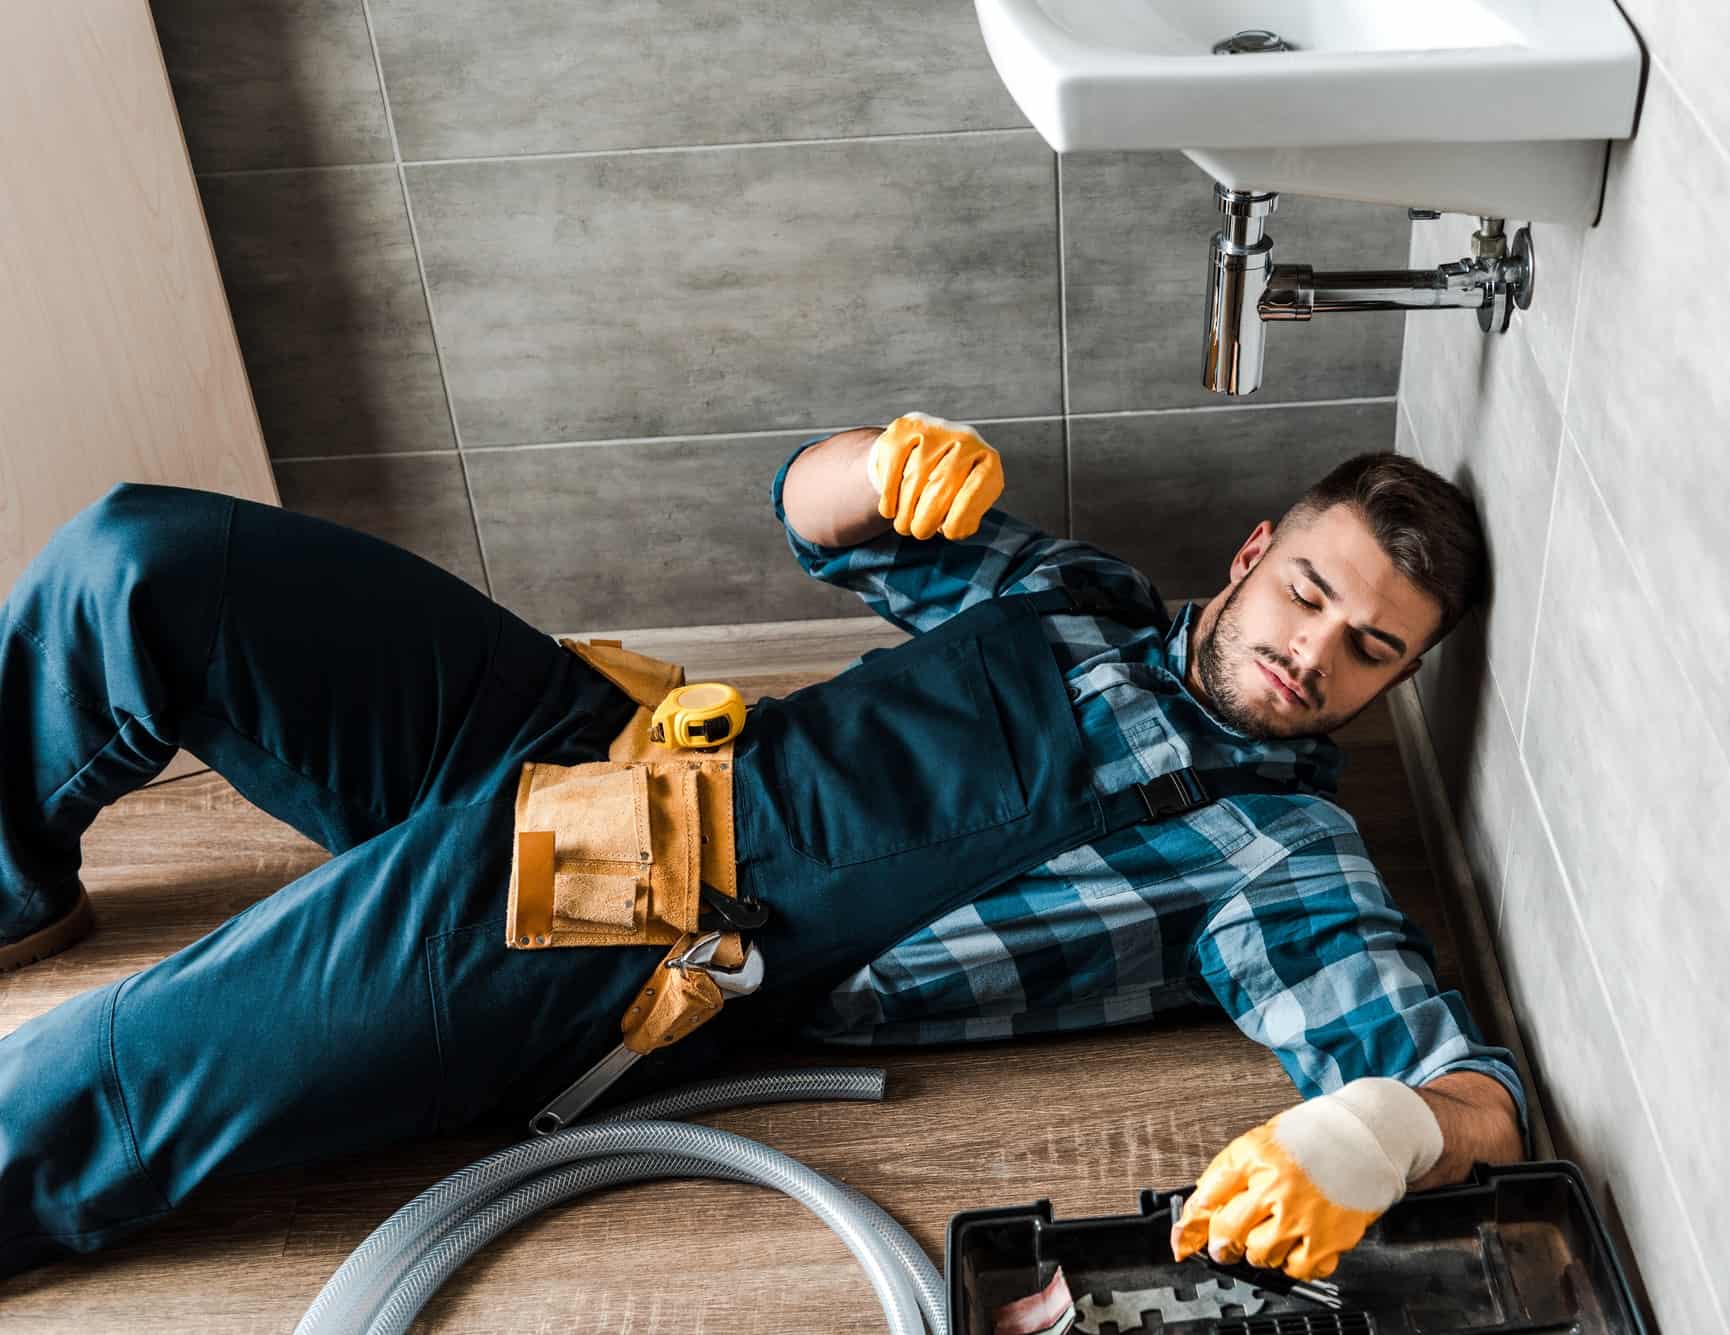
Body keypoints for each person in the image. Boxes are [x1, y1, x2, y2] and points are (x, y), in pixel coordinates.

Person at [0, 413, 1522, 1283]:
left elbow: (1476, 1096)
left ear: (1396, 684)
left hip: (631, 915)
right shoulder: (1077, 595)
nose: (1312, 654)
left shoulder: (1276, 850)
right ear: (1255, 556)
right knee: (142, 563)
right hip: (603, 733)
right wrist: (876, 459)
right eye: (1309, 595)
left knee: (119, 1072)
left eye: (1372, 650)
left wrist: (1381, 1134)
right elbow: (823, 522)